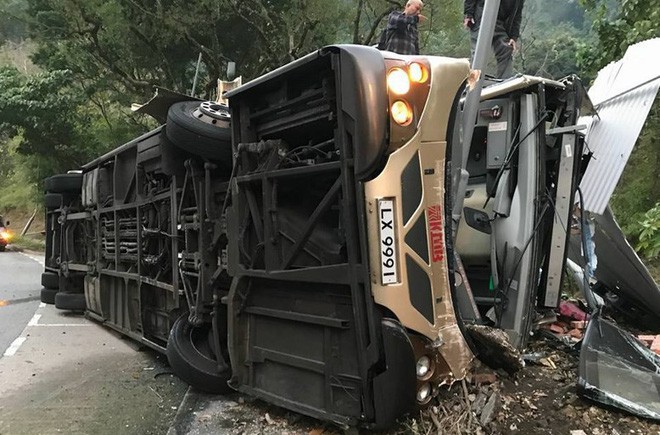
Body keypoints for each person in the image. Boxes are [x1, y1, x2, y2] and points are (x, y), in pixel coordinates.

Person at [463, 0, 523, 79]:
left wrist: (513, 36)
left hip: (500, 23)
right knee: (479, 51)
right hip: (482, 15)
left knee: (506, 48)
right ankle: (474, 83)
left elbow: (517, 15)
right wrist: (468, 14)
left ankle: (503, 85)